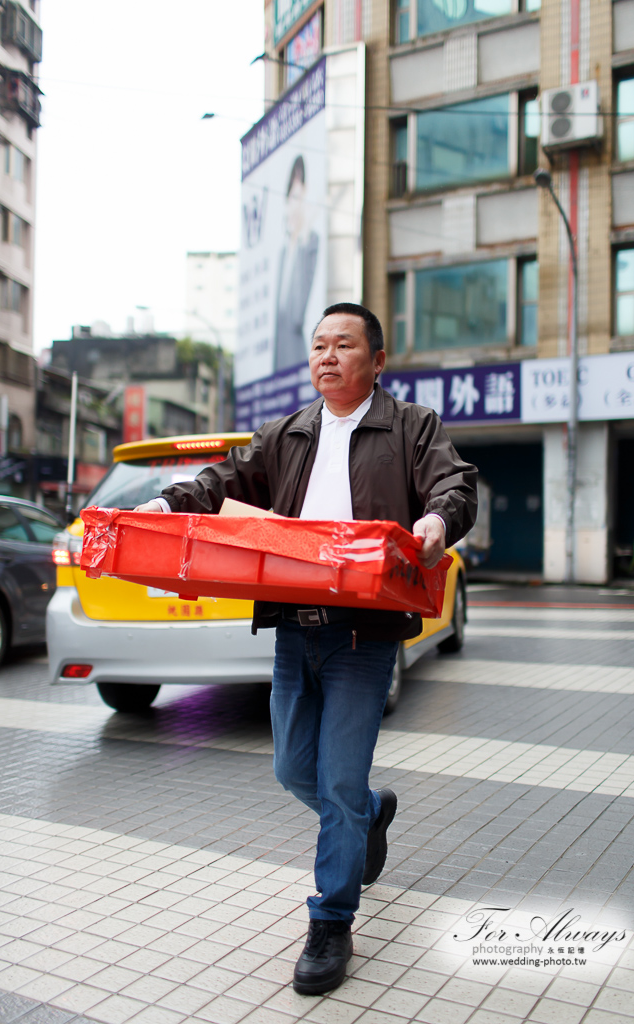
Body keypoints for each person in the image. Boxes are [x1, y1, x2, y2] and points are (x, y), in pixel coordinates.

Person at [135, 302, 477, 995]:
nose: (327, 356)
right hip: (294, 627)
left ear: (375, 361)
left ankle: (331, 920)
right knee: (295, 772)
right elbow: (222, 482)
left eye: (343, 345)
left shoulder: (411, 427)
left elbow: (455, 482)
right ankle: (370, 814)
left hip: (363, 635)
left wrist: (437, 518)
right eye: (318, 345)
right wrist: (171, 506)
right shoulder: (286, 434)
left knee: (338, 781)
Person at [274, 155, 319, 373]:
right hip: (278, 369)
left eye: (299, 198)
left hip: (297, 363)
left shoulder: (310, 243)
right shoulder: (282, 253)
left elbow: (297, 316)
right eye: (291, 198)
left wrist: (303, 239)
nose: (295, 206)